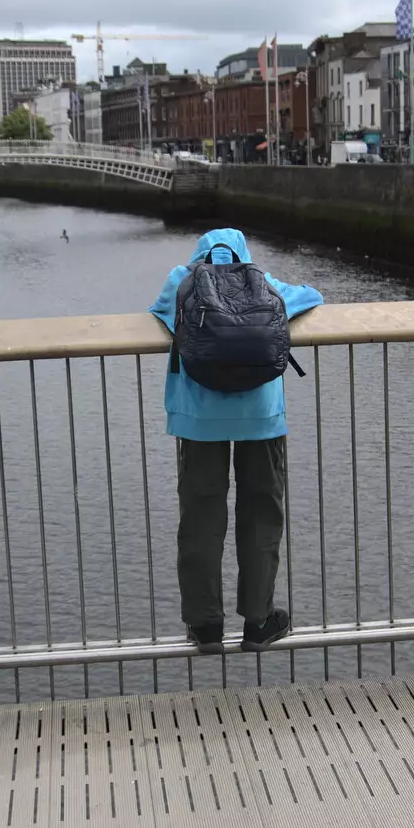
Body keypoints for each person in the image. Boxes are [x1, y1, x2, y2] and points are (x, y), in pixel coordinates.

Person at [149, 228, 323, 653]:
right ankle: (259, 621)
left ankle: (205, 625)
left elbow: (159, 313)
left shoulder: (181, 280)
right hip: (260, 417)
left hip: (198, 419)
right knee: (261, 514)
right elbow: (311, 296)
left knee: (201, 520)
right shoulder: (262, 282)